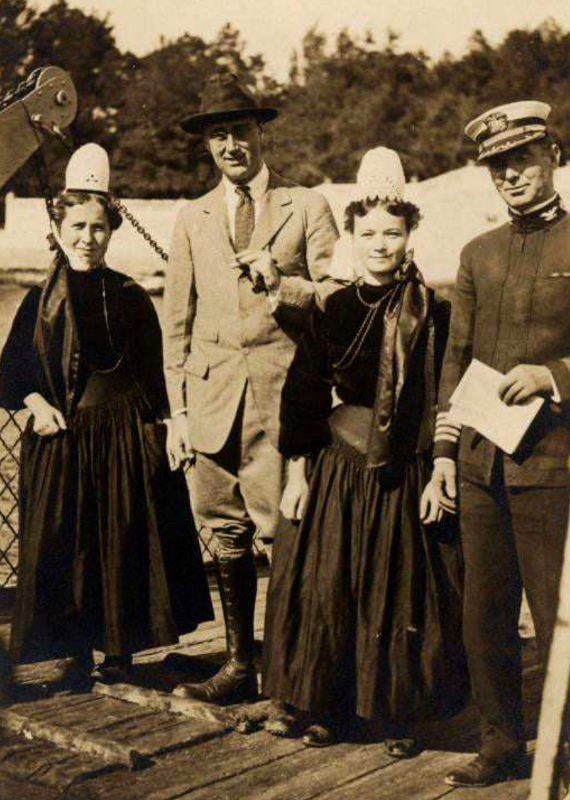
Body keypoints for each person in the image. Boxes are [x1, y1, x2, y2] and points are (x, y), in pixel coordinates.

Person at [261, 148, 468, 751]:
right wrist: (297, 477)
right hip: (338, 467)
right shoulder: (334, 307)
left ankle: (396, 714)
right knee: (333, 588)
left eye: (393, 233)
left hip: (404, 470)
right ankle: (331, 708)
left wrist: (437, 470)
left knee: (397, 591)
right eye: (369, 233)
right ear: (351, 235)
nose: (381, 245)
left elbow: (439, 396)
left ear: (411, 235)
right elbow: (302, 396)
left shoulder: (433, 312)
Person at [0, 143, 214, 689]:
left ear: (111, 231)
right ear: (60, 227)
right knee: (69, 546)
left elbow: (157, 371)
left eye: (98, 227)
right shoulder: (38, 300)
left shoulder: (130, 294)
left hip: (122, 432)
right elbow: (11, 374)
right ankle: (73, 652)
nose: (87, 238)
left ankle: (120, 652)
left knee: (122, 542)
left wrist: (169, 424)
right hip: (64, 437)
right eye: (77, 226)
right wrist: (36, 405)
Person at [164, 69, 339, 705]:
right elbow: (175, 322)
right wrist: (178, 412)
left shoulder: (307, 205)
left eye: (238, 131)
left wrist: (282, 284)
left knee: (283, 532)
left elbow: (337, 301)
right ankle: (240, 667)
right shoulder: (193, 216)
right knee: (226, 530)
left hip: (282, 401)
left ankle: (292, 675)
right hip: (210, 404)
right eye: (217, 137)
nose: (230, 146)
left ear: (260, 133)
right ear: (207, 146)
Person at [426, 101, 570, 787]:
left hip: (553, 465)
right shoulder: (477, 254)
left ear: (554, 159)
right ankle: (501, 742)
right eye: (498, 166)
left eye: (523, 160)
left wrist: (554, 375)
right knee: (483, 613)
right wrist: (444, 456)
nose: (511, 175)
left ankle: (565, 753)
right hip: (482, 467)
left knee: (558, 620)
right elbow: (454, 361)